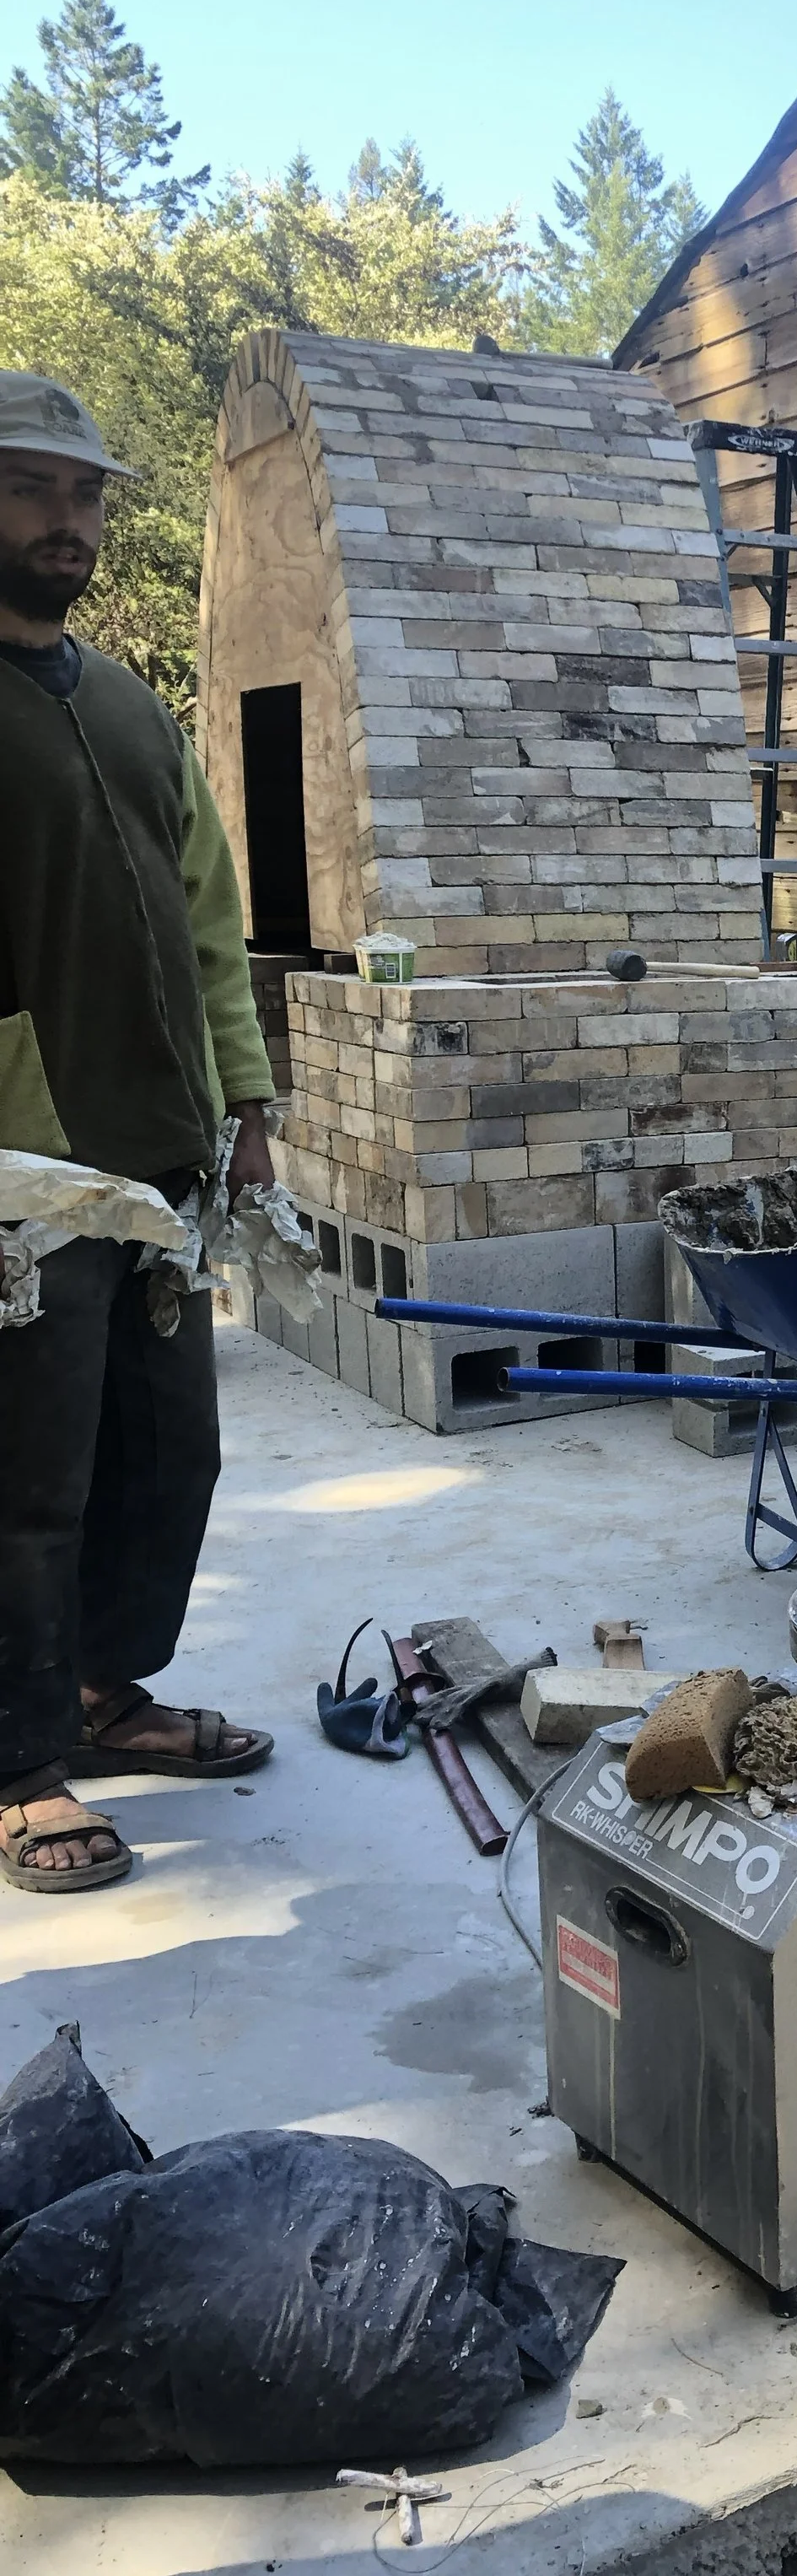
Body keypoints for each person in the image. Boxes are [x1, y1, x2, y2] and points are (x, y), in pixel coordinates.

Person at [0, 369, 278, 1894]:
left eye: (87, 493)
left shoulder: (121, 703)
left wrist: (246, 1107)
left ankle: (105, 1694)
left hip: (154, 1164)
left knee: (167, 1456)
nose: (69, 520)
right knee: (22, 1482)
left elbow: (212, 926)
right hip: (19, 1175)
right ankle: (19, 1764)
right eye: (34, 487)